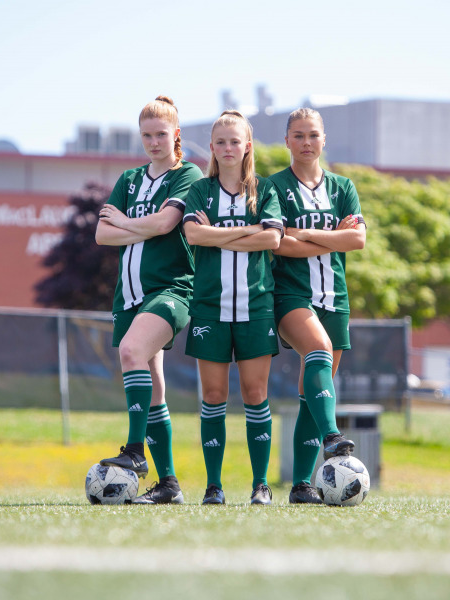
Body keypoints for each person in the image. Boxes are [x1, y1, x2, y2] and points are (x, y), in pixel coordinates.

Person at [95, 96, 204, 504]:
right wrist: (135, 226)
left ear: (176, 135)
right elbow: (102, 235)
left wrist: (125, 222)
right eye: (146, 135)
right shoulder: (129, 179)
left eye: (161, 134)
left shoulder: (187, 173)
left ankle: (135, 452)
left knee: (130, 350)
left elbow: (167, 223)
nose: (154, 142)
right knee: (154, 388)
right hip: (129, 296)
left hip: (171, 289)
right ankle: (170, 485)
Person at [182, 110, 284, 506]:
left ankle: (261, 484)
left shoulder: (264, 190)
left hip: (256, 307)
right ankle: (213, 486)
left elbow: (273, 240)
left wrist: (217, 235)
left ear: (247, 146)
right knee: (213, 395)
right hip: (210, 308)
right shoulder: (200, 191)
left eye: (234, 141)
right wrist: (248, 231)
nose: (227, 148)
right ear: (211, 147)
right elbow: (193, 233)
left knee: (256, 394)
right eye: (220, 142)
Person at [269, 107, 367, 504]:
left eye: (313, 135)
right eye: (298, 135)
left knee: (313, 396)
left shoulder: (343, 187)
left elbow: (357, 241)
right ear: (287, 140)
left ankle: (300, 485)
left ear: (324, 140)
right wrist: (332, 235)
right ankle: (332, 437)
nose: (306, 143)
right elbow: (280, 243)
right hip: (292, 295)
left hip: (335, 298)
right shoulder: (274, 186)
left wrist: (306, 233)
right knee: (319, 351)